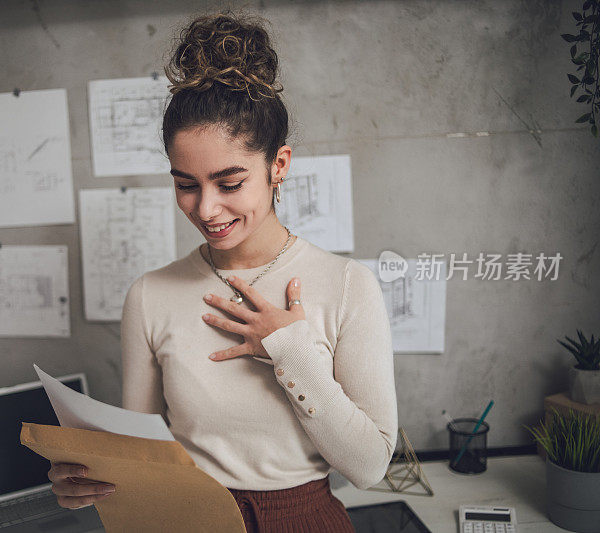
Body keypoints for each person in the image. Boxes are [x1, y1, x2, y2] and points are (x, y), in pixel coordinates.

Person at [48, 11, 398, 533]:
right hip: (190, 519)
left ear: (278, 165)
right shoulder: (149, 296)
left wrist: (292, 352)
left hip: (305, 520)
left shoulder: (348, 287)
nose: (206, 209)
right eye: (186, 184)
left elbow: (369, 467)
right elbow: (144, 458)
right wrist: (88, 482)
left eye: (229, 183)